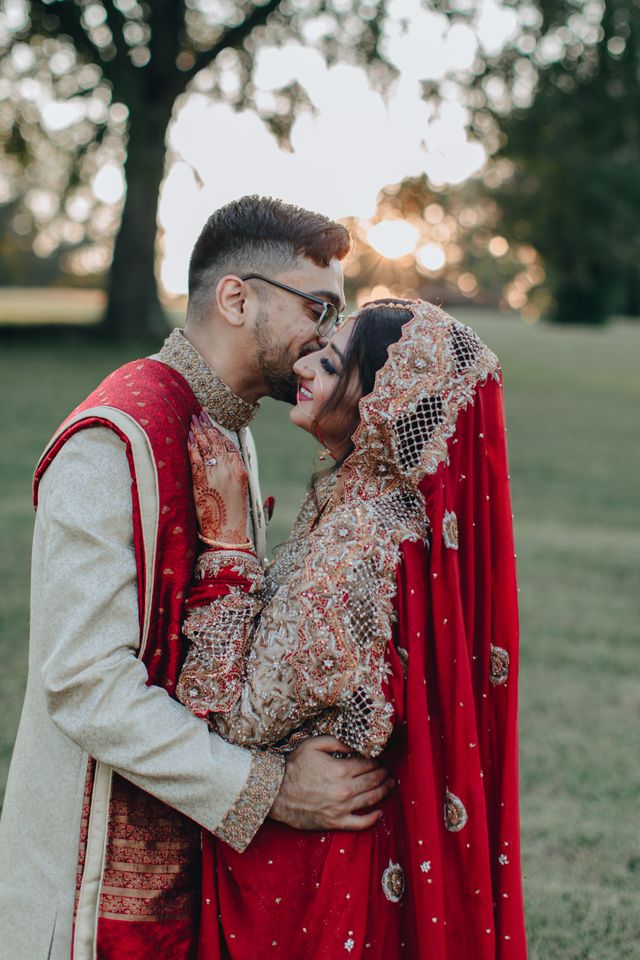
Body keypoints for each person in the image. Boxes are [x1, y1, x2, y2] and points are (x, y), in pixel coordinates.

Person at [0, 196, 393, 960]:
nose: (328, 336)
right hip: (87, 887)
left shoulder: (229, 430)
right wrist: (267, 788)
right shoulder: (112, 438)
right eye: (319, 307)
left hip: (195, 862)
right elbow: (83, 682)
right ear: (237, 297)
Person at [176, 298, 528, 958]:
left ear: (377, 404)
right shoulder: (379, 510)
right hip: (339, 854)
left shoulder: (358, 542)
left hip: (310, 875)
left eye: (331, 362)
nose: (304, 363)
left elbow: (236, 718)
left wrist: (227, 548)